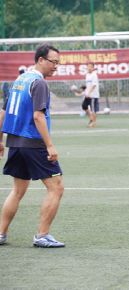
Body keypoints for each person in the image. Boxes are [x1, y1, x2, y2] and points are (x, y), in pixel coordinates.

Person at [0, 43, 65, 247]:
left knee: (18, 190)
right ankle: (42, 235)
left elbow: (3, 113)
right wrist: (50, 146)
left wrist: (0, 141)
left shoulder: (19, 80)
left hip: (16, 144)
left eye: (58, 63)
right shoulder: (39, 83)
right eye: (53, 62)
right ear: (40, 60)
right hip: (33, 143)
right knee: (56, 187)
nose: (56, 66)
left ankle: (1, 234)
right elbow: (38, 117)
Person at [85, 63, 99, 127]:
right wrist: (86, 93)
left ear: (93, 68)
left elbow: (94, 85)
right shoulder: (87, 75)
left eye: (91, 67)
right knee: (89, 109)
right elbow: (87, 86)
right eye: (88, 66)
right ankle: (92, 120)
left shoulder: (94, 75)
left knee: (93, 110)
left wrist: (89, 93)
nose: (89, 68)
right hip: (88, 96)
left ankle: (94, 123)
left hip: (93, 95)